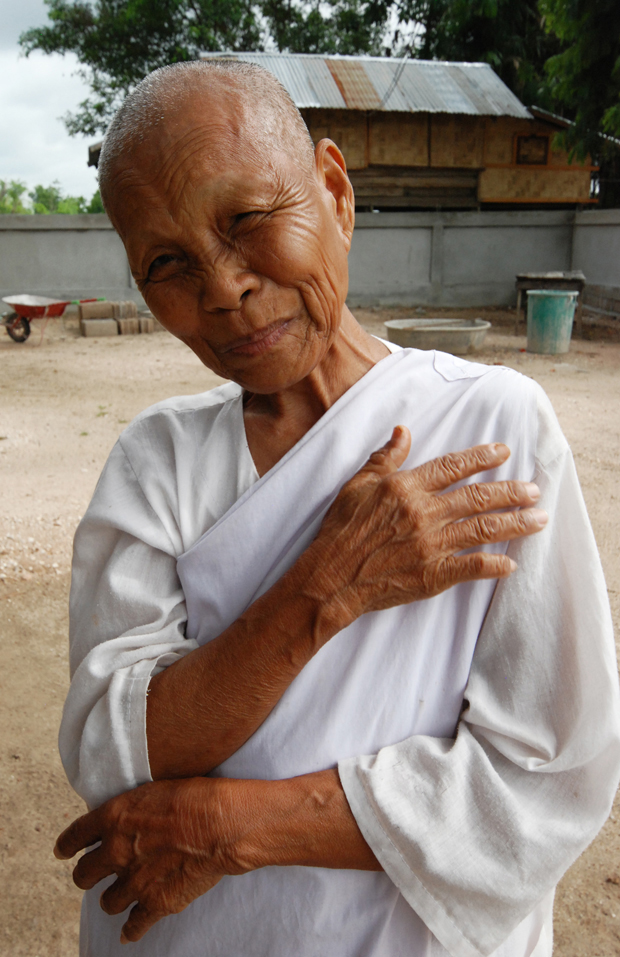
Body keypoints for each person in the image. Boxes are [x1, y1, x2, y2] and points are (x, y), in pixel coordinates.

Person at [54, 61, 620, 957]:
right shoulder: (157, 459)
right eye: (166, 263)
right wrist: (322, 586)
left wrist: (231, 823)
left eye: (246, 220)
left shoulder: (492, 425)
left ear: (334, 191)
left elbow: (548, 776)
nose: (220, 290)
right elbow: (113, 752)